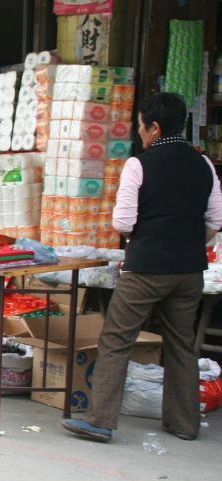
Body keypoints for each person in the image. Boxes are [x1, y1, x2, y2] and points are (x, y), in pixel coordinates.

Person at [62, 92, 222, 443]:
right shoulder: (204, 165)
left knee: (118, 338)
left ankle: (100, 419)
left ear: (155, 127)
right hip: (189, 271)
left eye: (141, 127)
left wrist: (150, 236)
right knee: (182, 344)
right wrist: (190, 241)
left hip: (146, 268)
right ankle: (184, 423)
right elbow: (215, 221)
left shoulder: (139, 165)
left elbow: (123, 222)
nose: (140, 134)